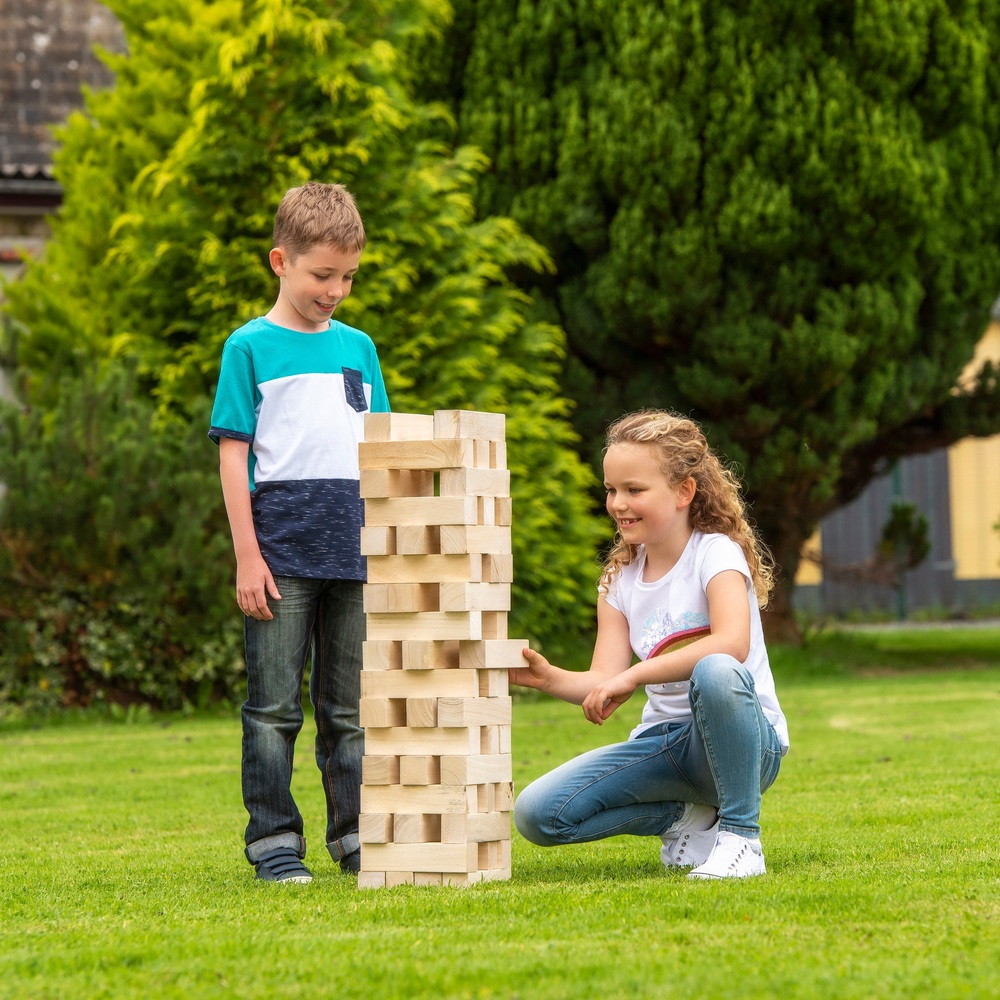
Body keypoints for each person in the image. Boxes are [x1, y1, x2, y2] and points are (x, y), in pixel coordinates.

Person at [511, 409, 789, 879]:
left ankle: (741, 839)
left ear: (684, 492)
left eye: (634, 490)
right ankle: (684, 818)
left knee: (716, 670)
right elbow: (605, 679)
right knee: (538, 814)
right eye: (611, 490)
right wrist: (548, 679)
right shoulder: (618, 580)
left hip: (748, 745)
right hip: (666, 749)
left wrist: (636, 675)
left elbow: (731, 644)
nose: (618, 503)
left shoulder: (715, 552)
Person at [209, 182, 390, 883]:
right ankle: (274, 842)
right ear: (280, 262)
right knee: (273, 711)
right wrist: (247, 557)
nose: (336, 289)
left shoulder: (360, 348)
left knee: (349, 711)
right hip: (279, 557)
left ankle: (354, 836)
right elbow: (233, 457)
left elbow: (382, 448)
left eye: (348, 276)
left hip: (356, 556)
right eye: (322, 274)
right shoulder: (247, 348)